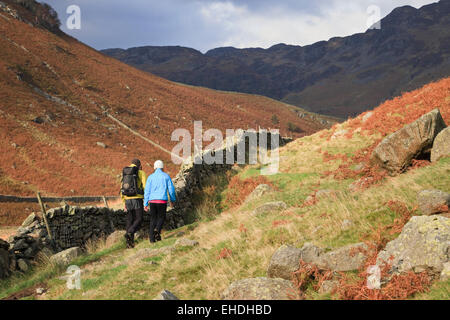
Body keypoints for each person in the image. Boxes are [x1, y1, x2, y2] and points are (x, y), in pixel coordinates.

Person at [144, 160, 176, 243]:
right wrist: (172, 200)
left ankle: (152, 240)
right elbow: (171, 190)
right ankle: (157, 230)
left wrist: (145, 203)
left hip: (152, 201)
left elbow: (147, 191)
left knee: (153, 219)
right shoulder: (166, 176)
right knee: (161, 217)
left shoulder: (150, 177)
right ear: (162, 167)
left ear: (154, 167)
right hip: (162, 200)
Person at [120, 159, 146, 248]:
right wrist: (146, 200)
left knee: (130, 220)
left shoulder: (125, 172)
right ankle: (130, 232)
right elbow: (145, 186)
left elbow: (122, 188)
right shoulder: (140, 172)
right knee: (139, 218)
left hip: (127, 199)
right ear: (139, 165)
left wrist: (124, 201)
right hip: (137, 198)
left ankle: (129, 244)